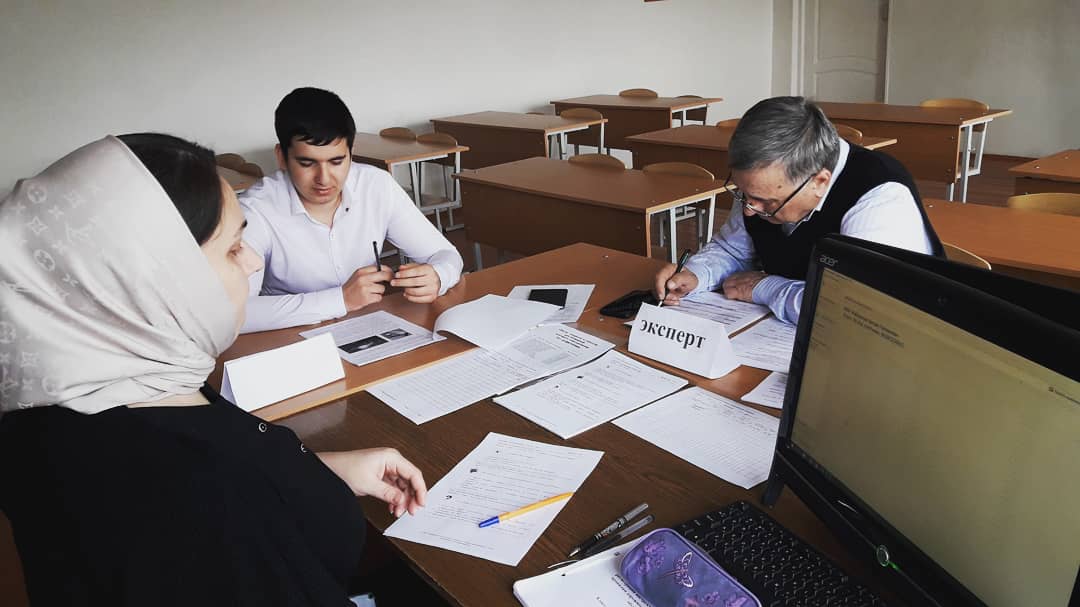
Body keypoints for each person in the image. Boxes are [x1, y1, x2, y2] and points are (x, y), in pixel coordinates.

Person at [0, 133, 427, 605]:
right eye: (232, 248)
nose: (253, 262)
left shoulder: (67, 401)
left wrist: (320, 469)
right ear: (156, 279)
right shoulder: (197, 493)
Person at [655, 96, 943, 324]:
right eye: (743, 194)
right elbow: (734, 250)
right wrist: (695, 274)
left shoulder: (879, 198)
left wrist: (766, 288)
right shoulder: (763, 187)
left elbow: (859, 309)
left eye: (768, 202)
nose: (750, 210)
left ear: (820, 181)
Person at [239, 87, 464, 333]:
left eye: (337, 161)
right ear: (281, 157)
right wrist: (341, 300)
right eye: (307, 163)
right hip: (286, 336)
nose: (324, 179)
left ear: (351, 153)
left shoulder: (376, 185)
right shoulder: (256, 210)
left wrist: (437, 275)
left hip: (368, 326)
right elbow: (236, 313)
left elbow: (445, 254)